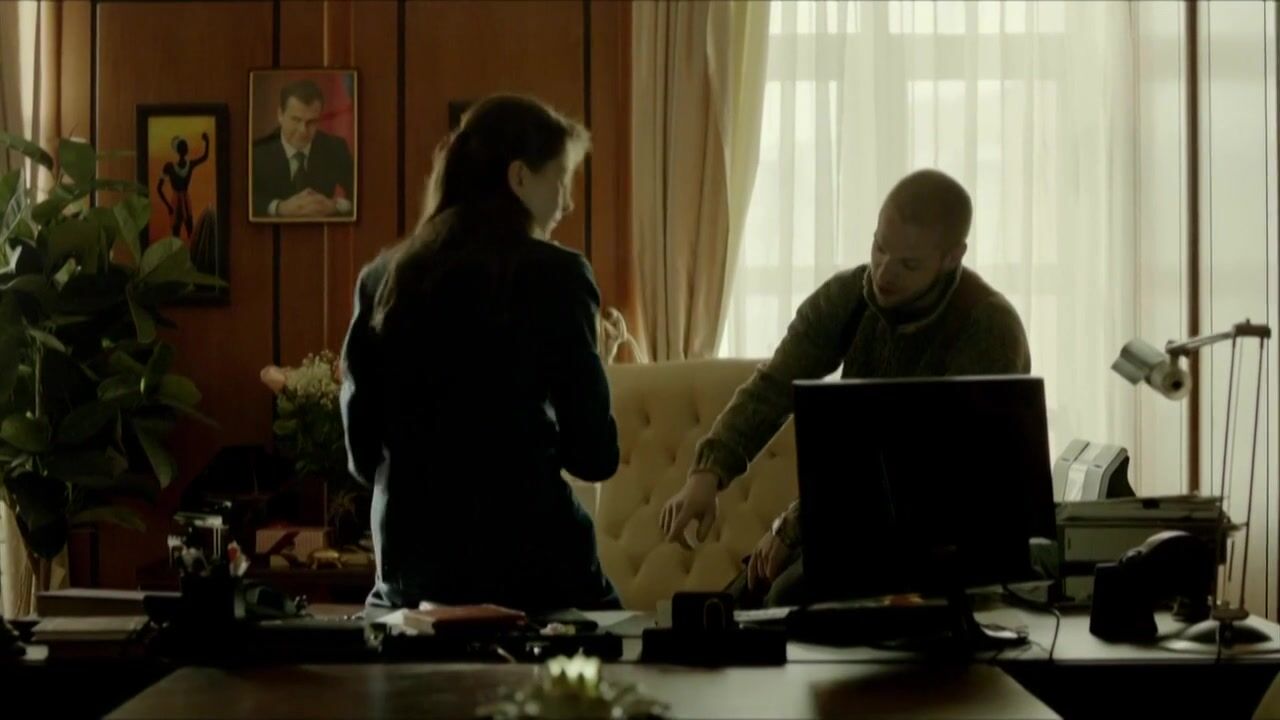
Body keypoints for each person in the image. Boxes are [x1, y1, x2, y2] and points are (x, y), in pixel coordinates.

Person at [658, 169, 1032, 608]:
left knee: (785, 599)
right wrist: (706, 475)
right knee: (731, 608)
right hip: (855, 523)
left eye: (909, 264)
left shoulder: (988, 328)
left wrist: (794, 527)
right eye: (879, 247)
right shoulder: (849, 296)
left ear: (952, 257)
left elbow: (923, 462)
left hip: (950, 536)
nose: (884, 272)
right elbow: (774, 385)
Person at [340, 94, 621, 612]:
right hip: (536, 577)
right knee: (630, 649)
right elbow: (595, 456)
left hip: (411, 579)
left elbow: (362, 454)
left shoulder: (381, 279)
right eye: (561, 179)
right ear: (520, 177)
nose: (567, 202)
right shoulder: (559, 276)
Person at [252, 79, 355, 219]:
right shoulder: (257, 152)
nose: (303, 131)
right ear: (280, 115)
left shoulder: (336, 148)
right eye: (296, 120)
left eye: (311, 122)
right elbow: (245, 199)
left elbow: (361, 196)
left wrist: (335, 206)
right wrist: (278, 208)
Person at [156, 132, 209, 240]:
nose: (185, 147)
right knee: (176, 230)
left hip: (186, 200)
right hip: (175, 201)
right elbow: (159, 188)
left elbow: (204, 157)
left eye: (185, 145)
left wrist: (207, 142)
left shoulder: (190, 164)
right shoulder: (169, 166)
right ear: (178, 150)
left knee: (190, 228)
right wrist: (168, 206)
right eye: (182, 146)